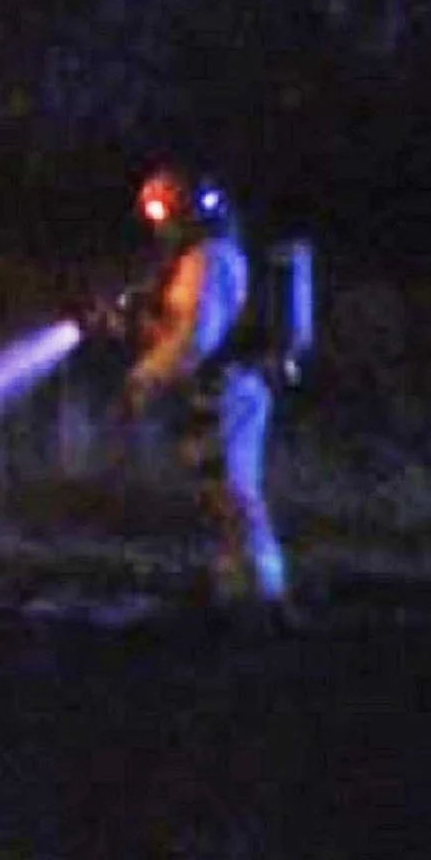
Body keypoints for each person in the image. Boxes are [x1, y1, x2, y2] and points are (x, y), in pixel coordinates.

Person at [112, 166, 291, 618]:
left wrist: (144, 379)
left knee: (233, 492)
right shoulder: (197, 259)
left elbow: (195, 337)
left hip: (228, 389)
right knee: (220, 494)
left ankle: (259, 593)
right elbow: (178, 325)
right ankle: (240, 589)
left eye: (167, 214)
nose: (161, 226)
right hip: (213, 390)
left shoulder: (210, 258)